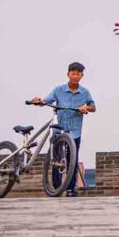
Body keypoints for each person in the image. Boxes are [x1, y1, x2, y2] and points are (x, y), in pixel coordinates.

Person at [32, 61, 96, 197]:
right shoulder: (58, 90)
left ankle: (71, 189)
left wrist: (85, 108)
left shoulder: (85, 92)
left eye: (78, 74)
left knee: (72, 160)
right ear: (68, 74)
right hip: (59, 130)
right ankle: (56, 188)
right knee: (56, 160)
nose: (75, 76)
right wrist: (39, 101)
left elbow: (93, 107)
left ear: (81, 76)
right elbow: (47, 101)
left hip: (75, 131)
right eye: (73, 74)